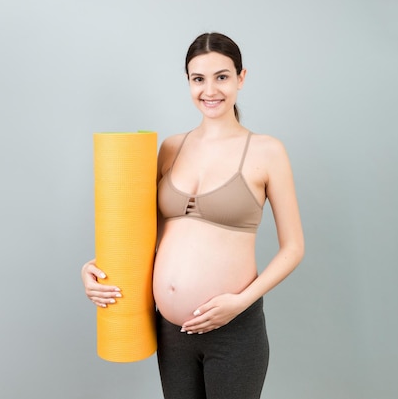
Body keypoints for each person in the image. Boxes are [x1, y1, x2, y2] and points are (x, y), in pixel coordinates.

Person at [81, 32, 304, 399]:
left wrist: (240, 302)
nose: (210, 89)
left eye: (222, 76)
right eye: (198, 78)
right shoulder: (170, 148)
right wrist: (96, 268)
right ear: (188, 81)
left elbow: (294, 247)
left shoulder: (267, 152)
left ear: (241, 78)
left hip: (233, 330)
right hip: (171, 330)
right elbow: (137, 233)